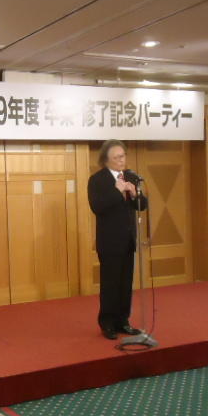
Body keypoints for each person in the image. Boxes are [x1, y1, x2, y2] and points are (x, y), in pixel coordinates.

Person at [87, 140, 148, 340]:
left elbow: (142, 205)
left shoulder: (130, 176)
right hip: (109, 242)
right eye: (117, 157)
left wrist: (134, 193)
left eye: (123, 156)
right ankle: (107, 323)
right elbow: (97, 206)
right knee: (110, 284)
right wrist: (117, 191)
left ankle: (123, 321)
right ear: (106, 160)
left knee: (125, 283)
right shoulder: (97, 180)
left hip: (128, 240)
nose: (122, 160)